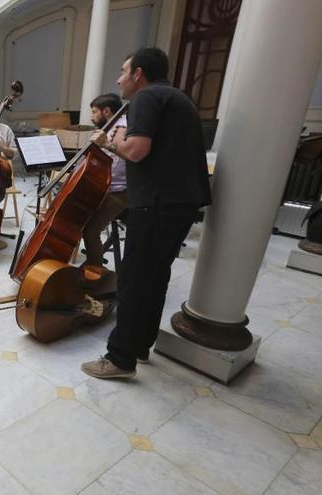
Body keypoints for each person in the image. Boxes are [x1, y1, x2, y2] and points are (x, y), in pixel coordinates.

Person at [81, 48, 212, 379]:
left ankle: (120, 358)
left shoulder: (147, 97)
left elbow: (136, 151)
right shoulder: (175, 97)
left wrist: (111, 143)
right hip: (178, 203)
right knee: (155, 276)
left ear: (139, 73)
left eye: (123, 71)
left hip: (156, 203)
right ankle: (140, 345)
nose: (119, 78)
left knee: (135, 280)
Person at [81, 93, 128, 267]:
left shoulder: (121, 126)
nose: (92, 117)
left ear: (106, 111)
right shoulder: (109, 126)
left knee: (90, 231)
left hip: (118, 192)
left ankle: (95, 271)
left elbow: (118, 157)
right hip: (104, 187)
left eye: (94, 112)